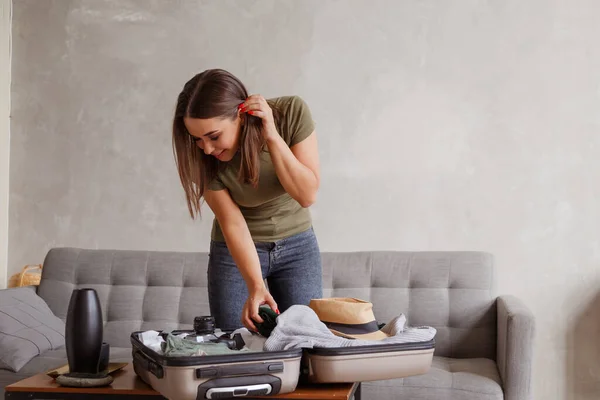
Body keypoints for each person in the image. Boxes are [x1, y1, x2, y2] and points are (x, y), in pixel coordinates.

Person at [171, 69, 323, 332]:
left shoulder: (290, 113)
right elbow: (232, 223)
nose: (206, 148)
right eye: (197, 139)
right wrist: (256, 286)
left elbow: (306, 195)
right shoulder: (200, 158)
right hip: (236, 250)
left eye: (214, 136)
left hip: (298, 245)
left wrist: (272, 136)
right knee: (235, 345)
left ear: (241, 115)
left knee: (306, 343)